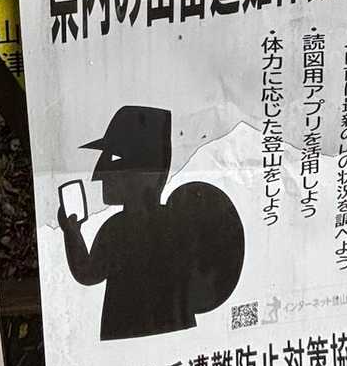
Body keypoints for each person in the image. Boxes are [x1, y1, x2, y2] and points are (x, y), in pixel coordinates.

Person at [57, 105, 244, 341]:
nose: (99, 173)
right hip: (177, 333)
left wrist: (71, 232)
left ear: (148, 172)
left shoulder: (117, 229)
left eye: (114, 159)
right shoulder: (176, 224)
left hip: (125, 336)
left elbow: (87, 273)